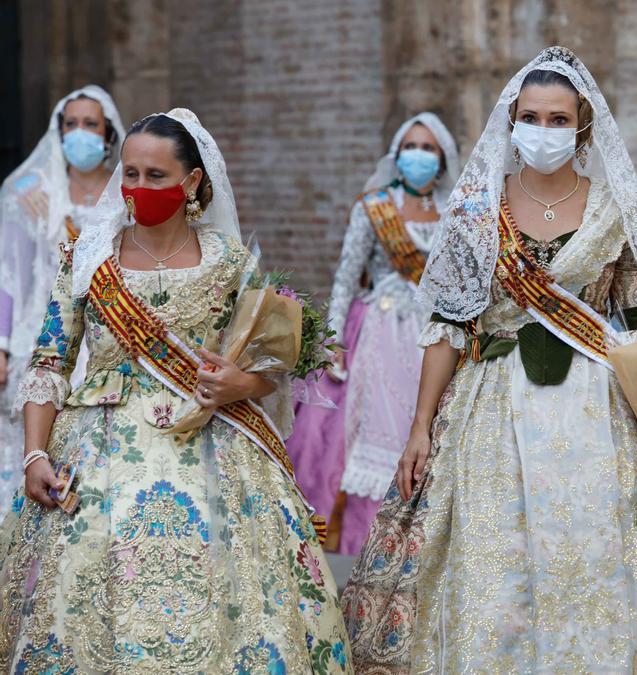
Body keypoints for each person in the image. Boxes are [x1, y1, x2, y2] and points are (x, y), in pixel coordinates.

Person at [340, 46, 637, 673]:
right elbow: (447, 326)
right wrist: (419, 426)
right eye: (532, 117)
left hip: (598, 413)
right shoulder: (477, 208)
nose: (544, 131)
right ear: (511, 121)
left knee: (595, 557)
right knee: (495, 561)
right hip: (490, 407)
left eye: (558, 119)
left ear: (581, 128)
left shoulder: (612, 211)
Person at [0, 109, 349, 672]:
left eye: (155, 176)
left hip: (214, 447)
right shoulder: (87, 258)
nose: (138, 189)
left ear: (191, 181)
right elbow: (49, 361)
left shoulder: (231, 263)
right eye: (130, 174)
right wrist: (35, 453)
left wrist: (242, 383)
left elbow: (272, 364)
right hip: (100, 446)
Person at [287, 112, 460, 555]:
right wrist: (332, 342)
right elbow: (346, 277)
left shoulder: (455, 212)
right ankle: (363, 539)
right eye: (410, 147)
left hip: (432, 335)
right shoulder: (374, 207)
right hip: (378, 332)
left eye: (428, 148)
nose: (417, 156)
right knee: (369, 431)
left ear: (442, 160)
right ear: (396, 154)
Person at [0, 86, 125, 519]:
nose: (80, 133)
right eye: (70, 124)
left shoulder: (128, 190)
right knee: (32, 445)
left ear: (109, 133)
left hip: (108, 337)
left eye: (91, 124)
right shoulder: (28, 192)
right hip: (40, 335)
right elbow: (7, 272)